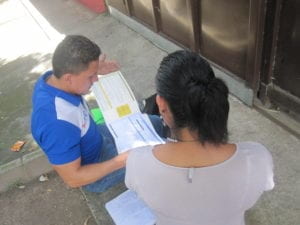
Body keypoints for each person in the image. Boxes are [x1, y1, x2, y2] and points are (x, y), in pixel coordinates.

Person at [125, 50, 274, 225]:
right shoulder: (256, 158)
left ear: (161, 105)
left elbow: (132, 186)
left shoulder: (138, 162)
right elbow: (266, 184)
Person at [31, 35, 165, 192]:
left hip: (95, 136)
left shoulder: (52, 79)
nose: (96, 80)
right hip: (96, 168)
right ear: (69, 78)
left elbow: (76, 72)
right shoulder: (56, 124)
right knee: (158, 157)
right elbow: (73, 178)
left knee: (155, 122)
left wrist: (96, 68)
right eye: (91, 76)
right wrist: (121, 161)